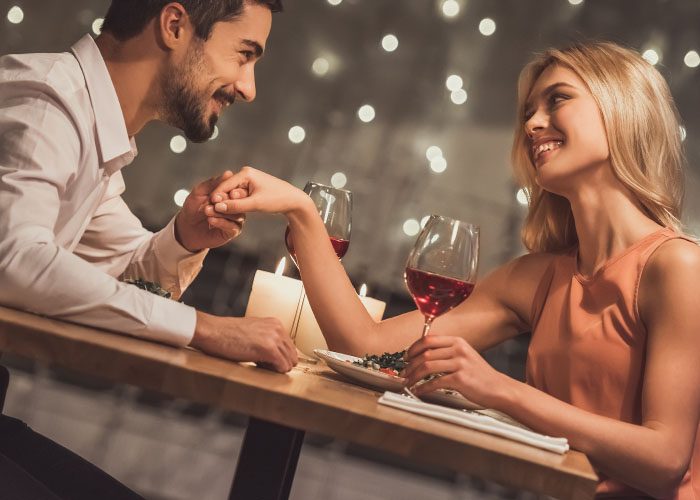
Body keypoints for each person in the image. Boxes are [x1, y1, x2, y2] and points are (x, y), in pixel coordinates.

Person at [209, 42, 700, 497]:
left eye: (557, 100)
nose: (532, 124)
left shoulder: (677, 266)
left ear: (622, 111)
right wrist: (303, 215)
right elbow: (366, 347)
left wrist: (498, 389)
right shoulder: (536, 278)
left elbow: (666, 458)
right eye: (529, 111)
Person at [0, 0, 297, 498]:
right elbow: (13, 261)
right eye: (243, 55)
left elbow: (126, 274)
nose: (248, 88)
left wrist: (183, 238)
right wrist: (205, 329)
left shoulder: (89, 124)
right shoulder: (49, 100)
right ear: (175, 25)